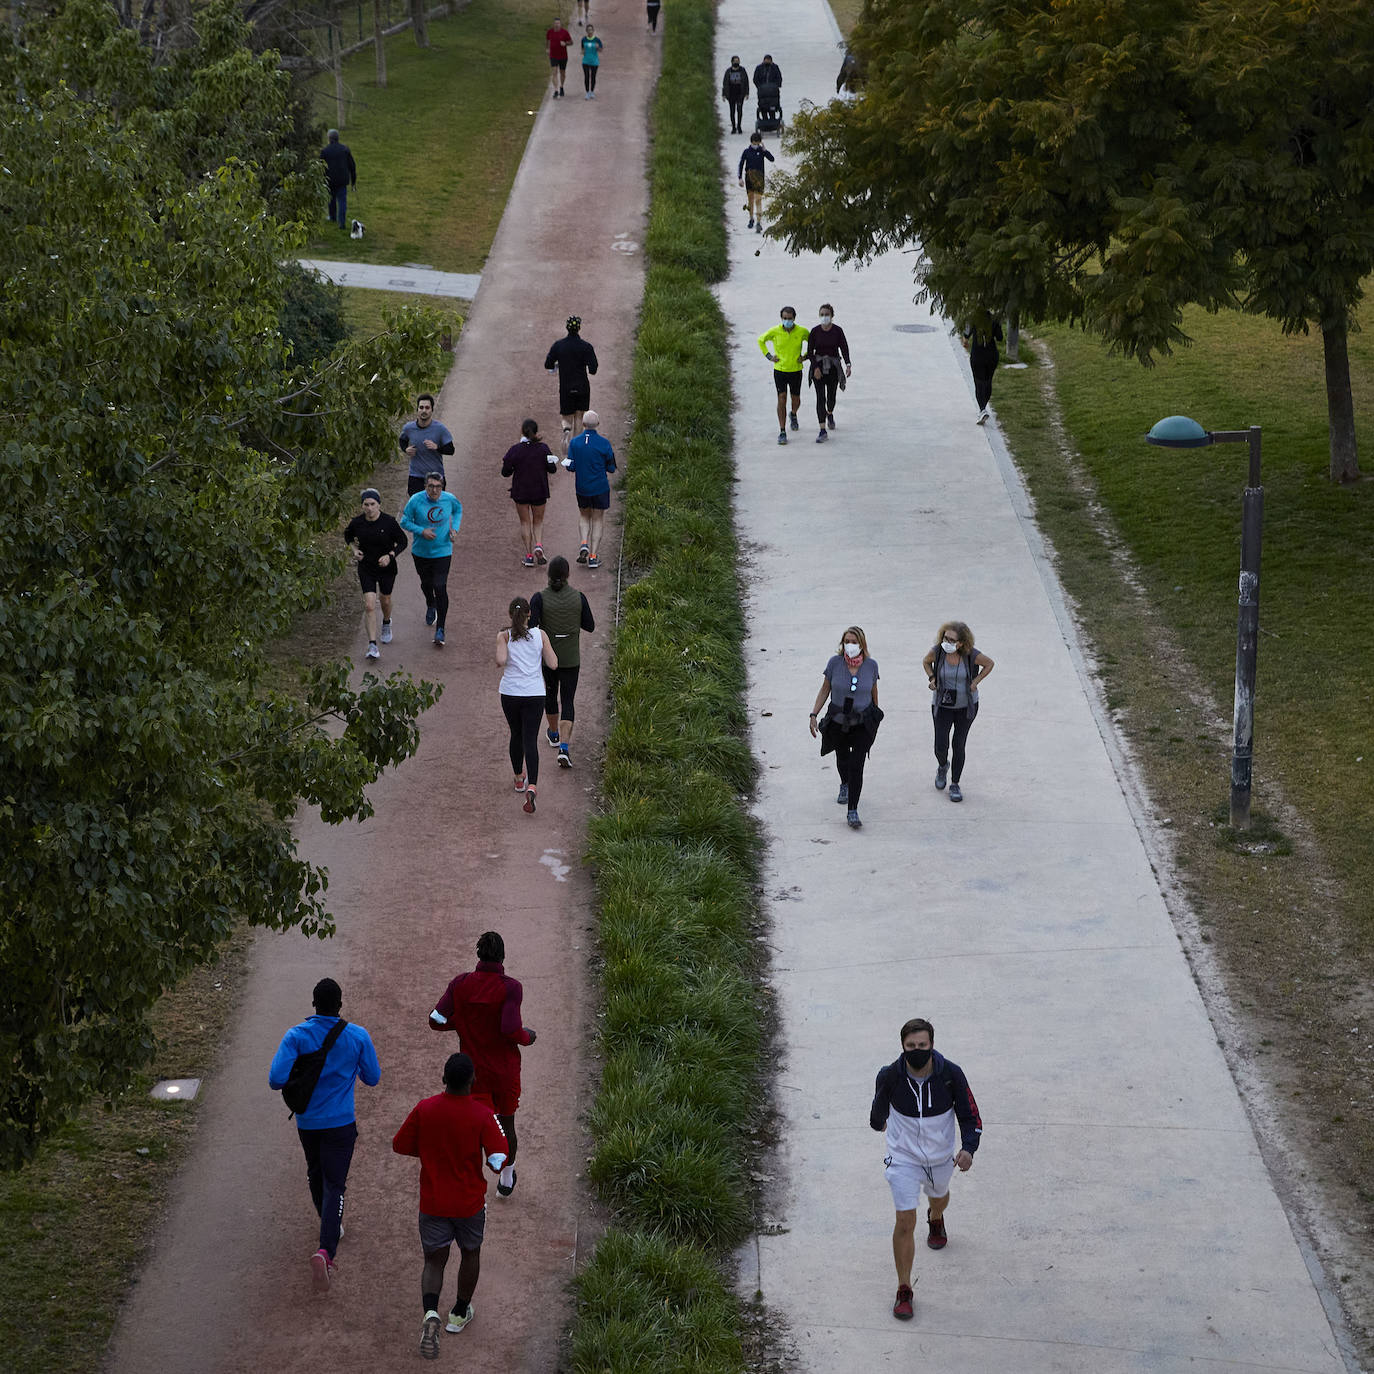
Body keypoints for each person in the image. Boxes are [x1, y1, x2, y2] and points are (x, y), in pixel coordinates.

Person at [392, 1052, 509, 1359]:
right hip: (468, 1204)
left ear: (444, 1079)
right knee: (471, 1253)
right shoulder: (481, 1114)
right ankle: (458, 1312)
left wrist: (432, 1152)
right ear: (472, 1081)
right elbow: (498, 1157)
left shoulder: (425, 1109)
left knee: (433, 1261)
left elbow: (400, 1144)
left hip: (432, 1202)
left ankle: (431, 1313)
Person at [268, 978, 380, 1293]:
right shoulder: (357, 1036)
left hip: (308, 1123)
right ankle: (325, 1251)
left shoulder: (296, 1036)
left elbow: (276, 1079)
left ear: (314, 1003)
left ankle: (331, 1224)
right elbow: (372, 1077)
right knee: (336, 1184)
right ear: (340, 1003)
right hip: (341, 1123)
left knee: (316, 1175)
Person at [870, 1017, 981, 1320]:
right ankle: (904, 1289)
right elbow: (877, 1111)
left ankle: (936, 1216)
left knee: (939, 1196)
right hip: (903, 1158)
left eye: (922, 1045)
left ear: (932, 1045)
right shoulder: (890, 1076)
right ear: (903, 1047)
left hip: (940, 1157)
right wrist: (878, 1120)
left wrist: (968, 1148)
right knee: (905, 1221)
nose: (916, 1050)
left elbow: (971, 1117)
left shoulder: (951, 1075)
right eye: (911, 1046)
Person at [428, 933, 536, 1198]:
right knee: (506, 1124)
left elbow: (435, 1019)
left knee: (470, 1125)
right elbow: (510, 1029)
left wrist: (462, 1022)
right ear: (502, 957)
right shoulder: (511, 987)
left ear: (478, 955)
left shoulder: (460, 984)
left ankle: (469, 1181)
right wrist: (528, 1036)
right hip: (504, 1072)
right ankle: (507, 1177)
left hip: (472, 1074)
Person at [809, 626, 882, 829]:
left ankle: (852, 810)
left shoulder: (871, 666)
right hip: (838, 722)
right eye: (846, 641)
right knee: (842, 758)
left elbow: (874, 692)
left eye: (853, 642)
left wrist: (875, 715)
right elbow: (825, 690)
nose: (850, 645)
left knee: (857, 765)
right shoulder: (834, 664)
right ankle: (844, 783)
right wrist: (814, 714)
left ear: (862, 644)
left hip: (861, 724)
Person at [530, 555, 595, 768]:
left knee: (549, 696)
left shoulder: (539, 598)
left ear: (549, 575)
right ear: (568, 575)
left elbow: (532, 627)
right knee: (568, 700)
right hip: (570, 659)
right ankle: (564, 748)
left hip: (548, 660)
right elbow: (590, 625)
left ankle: (554, 733)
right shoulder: (579, 597)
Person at [497, 597, 558, 812]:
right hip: (534, 694)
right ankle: (532, 785)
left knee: (516, 734)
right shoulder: (540, 635)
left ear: (509, 615)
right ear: (530, 614)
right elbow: (553, 663)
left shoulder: (504, 636)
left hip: (511, 693)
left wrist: (504, 643)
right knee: (530, 739)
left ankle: (518, 778)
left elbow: (500, 661)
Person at [921, 621, 994, 802]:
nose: (947, 642)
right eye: (945, 637)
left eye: (952, 640)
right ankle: (942, 765)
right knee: (940, 744)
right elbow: (925, 662)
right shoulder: (937, 651)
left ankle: (954, 783)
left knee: (958, 744)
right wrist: (932, 678)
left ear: (961, 642)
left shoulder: (971, 655)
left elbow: (990, 664)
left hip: (965, 707)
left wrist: (975, 682)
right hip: (942, 706)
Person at [343, 488, 407, 659]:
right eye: (366, 504)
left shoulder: (389, 522)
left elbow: (403, 541)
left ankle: (386, 622)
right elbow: (347, 535)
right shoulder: (357, 523)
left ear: (379, 504)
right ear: (362, 505)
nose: (369, 508)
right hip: (367, 568)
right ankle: (372, 645)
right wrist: (354, 550)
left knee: (385, 600)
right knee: (369, 605)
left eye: (373, 504)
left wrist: (390, 555)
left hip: (386, 568)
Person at [400, 472, 463, 647]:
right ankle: (430, 603)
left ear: (443, 487)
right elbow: (404, 521)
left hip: (443, 551)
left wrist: (454, 529)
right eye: (431, 486)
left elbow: (458, 510)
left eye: (438, 487)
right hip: (420, 552)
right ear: (425, 486)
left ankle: (441, 629)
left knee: (440, 586)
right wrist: (421, 531)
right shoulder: (416, 500)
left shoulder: (449, 499)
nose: (434, 490)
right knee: (426, 584)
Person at [501, 419, 559, 567]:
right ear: (536, 431)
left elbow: (505, 472)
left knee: (525, 522)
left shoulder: (515, 450)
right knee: (538, 521)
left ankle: (528, 555)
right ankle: (538, 545)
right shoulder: (543, 448)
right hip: (539, 490)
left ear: (522, 431)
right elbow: (552, 469)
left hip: (521, 491)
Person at [562, 411, 616, 567]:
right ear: (597, 424)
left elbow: (571, 467)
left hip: (582, 488)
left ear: (583, 424)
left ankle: (584, 542)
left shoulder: (575, 443)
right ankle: (593, 556)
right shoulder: (604, 443)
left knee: (584, 516)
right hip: (600, 487)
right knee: (598, 519)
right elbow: (611, 468)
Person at [544, 315, 599, 447]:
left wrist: (558, 365)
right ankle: (577, 444)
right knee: (579, 416)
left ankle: (566, 430)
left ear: (567, 328)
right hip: (582, 387)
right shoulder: (586, 347)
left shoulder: (558, 346)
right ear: (579, 328)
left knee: (567, 415)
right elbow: (593, 369)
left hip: (566, 387)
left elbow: (548, 364)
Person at [757, 305, 808, 444]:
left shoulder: (802, 331)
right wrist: (769, 356)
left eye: (789, 318)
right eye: (784, 318)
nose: (787, 321)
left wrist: (805, 356)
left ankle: (793, 414)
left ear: (794, 318)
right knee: (782, 398)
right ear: (781, 318)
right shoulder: (775, 331)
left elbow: (813, 343)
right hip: (780, 370)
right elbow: (761, 340)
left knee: (796, 399)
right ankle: (782, 431)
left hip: (796, 370)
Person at [804, 304, 852, 442]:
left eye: (827, 314)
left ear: (832, 316)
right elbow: (810, 352)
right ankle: (822, 430)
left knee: (831, 397)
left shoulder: (837, 331)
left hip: (833, 367)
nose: (824, 317)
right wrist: (815, 368)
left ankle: (829, 413)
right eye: (822, 314)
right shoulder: (814, 331)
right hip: (818, 367)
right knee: (820, 398)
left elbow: (844, 348)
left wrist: (848, 364)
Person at [399, 394, 456, 497]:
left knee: (434, 510)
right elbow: (402, 440)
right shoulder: (408, 428)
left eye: (427, 408)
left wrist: (437, 447)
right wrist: (405, 449)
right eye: (421, 407)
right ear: (417, 409)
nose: (424, 410)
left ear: (432, 410)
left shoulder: (440, 429)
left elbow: (451, 450)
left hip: (436, 478)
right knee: (417, 510)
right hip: (416, 476)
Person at [963, 314, 1004, 423]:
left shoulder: (972, 318)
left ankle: (982, 409)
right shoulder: (994, 319)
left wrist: (965, 341)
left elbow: (966, 334)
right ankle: (983, 408)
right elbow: (1000, 338)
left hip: (978, 355)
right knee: (988, 382)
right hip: (992, 355)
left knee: (978, 382)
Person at [737, 130, 775, 233]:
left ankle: (758, 222)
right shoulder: (746, 151)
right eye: (755, 143)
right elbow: (741, 164)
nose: (756, 145)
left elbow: (772, 159)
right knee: (750, 199)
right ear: (752, 142)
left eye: (758, 143)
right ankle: (751, 218)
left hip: (759, 178)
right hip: (749, 177)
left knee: (758, 199)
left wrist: (765, 150)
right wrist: (739, 177)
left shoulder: (762, 151)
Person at [319, 129, 356, 232]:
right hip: (342, 180)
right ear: (338, 138)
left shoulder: (325, 151)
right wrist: (353, 182)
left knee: (331, 199)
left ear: (329, 139)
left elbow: (320, 167)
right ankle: (342, 222)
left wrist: (321, 180)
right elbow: (352, 166)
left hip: (329, 180)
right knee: (342, 201)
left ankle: (332, 217)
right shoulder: (345, 150)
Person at [722, 55, 749, 134]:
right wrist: (723, 94)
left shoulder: (742, 70)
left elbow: (746, 82)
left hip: (740, 94)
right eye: (735, 61)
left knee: (739, 111)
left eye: (738, 61)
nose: (736, 62)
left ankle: (739, 126)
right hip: (731, 94)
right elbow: (725, 83)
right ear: (732, 62)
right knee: (732, 111)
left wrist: (747, 93)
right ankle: (733, 127)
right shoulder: (728, 71)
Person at [546, 16, 573, 98]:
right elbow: (547, 41)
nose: (557, 25)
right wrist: (547, 49)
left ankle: (561, 86)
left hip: (563, 56)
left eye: (558, 23)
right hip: (553, 55)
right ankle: (556, 90)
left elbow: (571, 42)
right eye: (555, 23)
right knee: (554, 72)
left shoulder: (564, 32)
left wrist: (565, 43)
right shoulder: (550, 32)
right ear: (553, 24)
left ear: (560, 24)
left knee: (562, 73)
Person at [580, 24, 603, 98]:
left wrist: (598, 47)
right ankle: (587, 92)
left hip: (594, 61)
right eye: (588, 30)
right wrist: (582, 52)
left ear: (593, 31)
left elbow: (601, 50)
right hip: (585, 61)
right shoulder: (584, 39)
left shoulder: (597, 40)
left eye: (591, 30)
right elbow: (583, 49)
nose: (590, 31)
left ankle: (592, 92)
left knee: (593, 77)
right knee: (586, 76)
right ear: (586, 31)